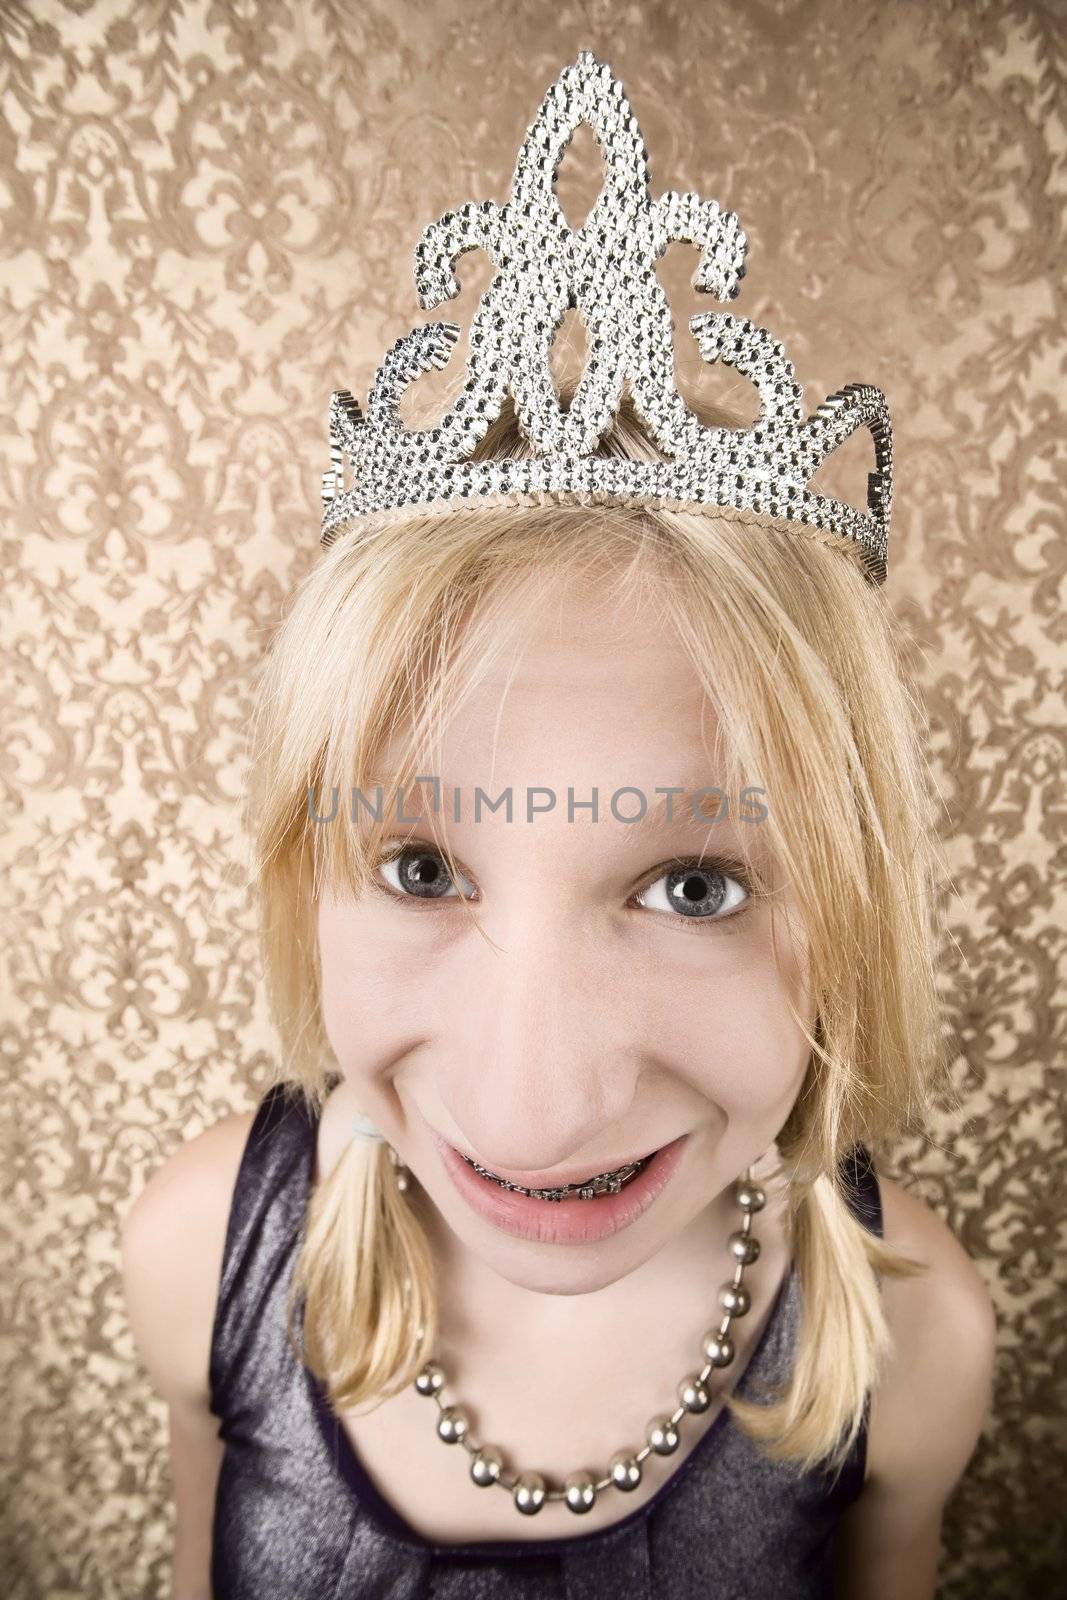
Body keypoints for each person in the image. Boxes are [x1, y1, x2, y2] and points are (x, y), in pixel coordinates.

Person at [120, 50, 996, 1600]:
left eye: (696, 886)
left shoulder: (911, 1343)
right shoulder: (203, 1255)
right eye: (418, 867)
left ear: (855, 910)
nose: (532, 1110)